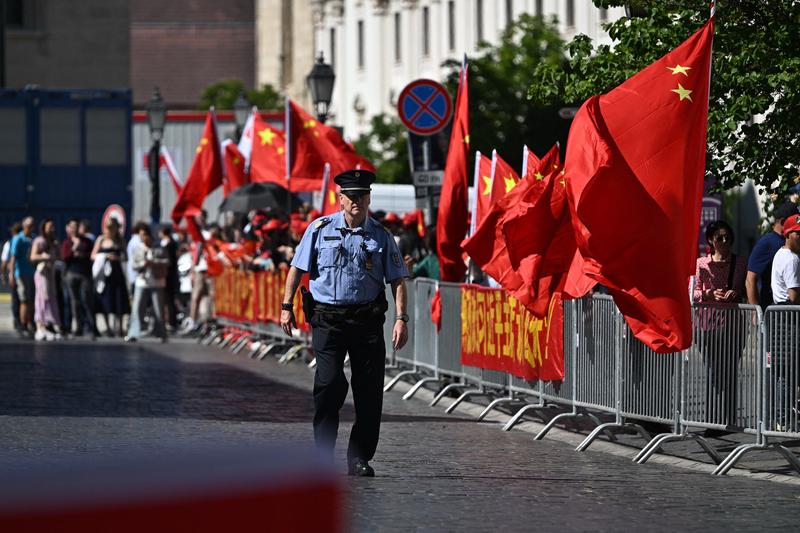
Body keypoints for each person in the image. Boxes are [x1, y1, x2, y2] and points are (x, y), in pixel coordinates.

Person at [280, 169, 409, 477]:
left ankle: (359, 457)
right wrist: (286, 307)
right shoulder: (319, 229)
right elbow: (296, 269)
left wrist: (402, 318)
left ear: (368, 199)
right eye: (350, 197)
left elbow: (398, 279)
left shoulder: (381, 235)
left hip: (366, 321)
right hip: (328, 320)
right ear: (340, 199)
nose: (356, 202)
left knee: (368, 392)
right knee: (328, 383)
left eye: (361, 197)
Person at [693, 220, 748, 434]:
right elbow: (693, 292)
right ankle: (713, 421)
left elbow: (745, 286)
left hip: (733, 324)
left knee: (730, 372)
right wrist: (707, 294)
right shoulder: (701, 264)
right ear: (711, 241)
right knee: (713, 372)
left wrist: (737, 293)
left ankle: (730, 418)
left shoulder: (740, 262)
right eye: (720, 238)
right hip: (707, 324)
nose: (725, 242)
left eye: (728, 238)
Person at [769, 213, 800, 430]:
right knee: (788, 371)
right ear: (787, 234)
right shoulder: (792, 259)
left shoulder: (781, 254)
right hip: (788, 317)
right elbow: (794, 295)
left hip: (779, 316)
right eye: (798, 233)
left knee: (781, 371)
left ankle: (780, 417)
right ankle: (784, 418)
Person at [746, 201, 798, 309]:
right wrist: (756, 314)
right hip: (773, 309)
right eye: (793, 221)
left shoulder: (792, 245)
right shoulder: (767, 243)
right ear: (783, 222)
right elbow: (750, 279)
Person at [125, 225, 168, 343]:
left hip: (157, 281)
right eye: (141, 235)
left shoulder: (158, 247)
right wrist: (142, 265)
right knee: (137, 307)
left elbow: (166, 261)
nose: (143, 237)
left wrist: (154, 263)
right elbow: (133, 264)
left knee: (158, 309)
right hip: (142, 281)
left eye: (144, 235)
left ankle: (161, 333)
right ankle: (133, 333)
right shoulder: (139, 248)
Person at [91, 218, 130, 336]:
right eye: (108, 227)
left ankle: (120, 327)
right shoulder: (101, 239)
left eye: (112, 227)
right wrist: (105, 256)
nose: (110, 229)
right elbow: (93, 255)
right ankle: (107, 327)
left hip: (116, 272)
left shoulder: (120, 240)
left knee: (119, 298)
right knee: (106, 299)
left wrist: (118, 258)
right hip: (105, 274)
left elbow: (126, 257)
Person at [61, 218, 97, 338]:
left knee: (86, 300)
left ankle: (91, 326)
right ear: (69, 229)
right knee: (74, 302)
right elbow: (64, 257)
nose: (74, 229)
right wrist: (74, 248)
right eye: (72, 227)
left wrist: (82, 254)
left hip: (85, 274)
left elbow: (92, 255)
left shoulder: (87, 241)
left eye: (76, 226)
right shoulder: (67, 242)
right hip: (71, 274)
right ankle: (77, 327)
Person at [29, 218, 62, 340]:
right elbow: (33, 256)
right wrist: (44, 257)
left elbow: (59, 256)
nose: (52, 229)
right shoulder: (39, 240)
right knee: (42, 298)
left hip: (51, 272)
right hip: (42, 272)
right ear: (44, 228)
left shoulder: (53, 242)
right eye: (50, 226)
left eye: (53, 226)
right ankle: (40, 326)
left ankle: (49, 325)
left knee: (51, 298)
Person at [8, 217, 36, 337]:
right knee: (23, 300)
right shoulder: (17, 239)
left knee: (31, 300)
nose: (29, 228)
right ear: (24, 226)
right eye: (28, 225)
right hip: (21, 274)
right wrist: (11, 274)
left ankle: (31, 322)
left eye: (31, 226)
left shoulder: (33, 239)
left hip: (32, 273)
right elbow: (13, 258)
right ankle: (22, 324)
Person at [2, 222, 23, 333]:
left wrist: (4, 275)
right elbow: (5, 262)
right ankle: (17, 320)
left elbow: (4, 263)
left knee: (22, 299)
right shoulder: (9, 243)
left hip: (21, 274)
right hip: (15, 274)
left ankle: (22, 320)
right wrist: (5, 275)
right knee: (16, 299)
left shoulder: (21, 241)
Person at [159, 225, 180, 331]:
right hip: (172, 274)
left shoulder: (167, 244)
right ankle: (171, 321)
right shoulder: (173, 243)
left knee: (168, 299)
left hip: (168, 274)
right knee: (170, 299)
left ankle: (171, 321)